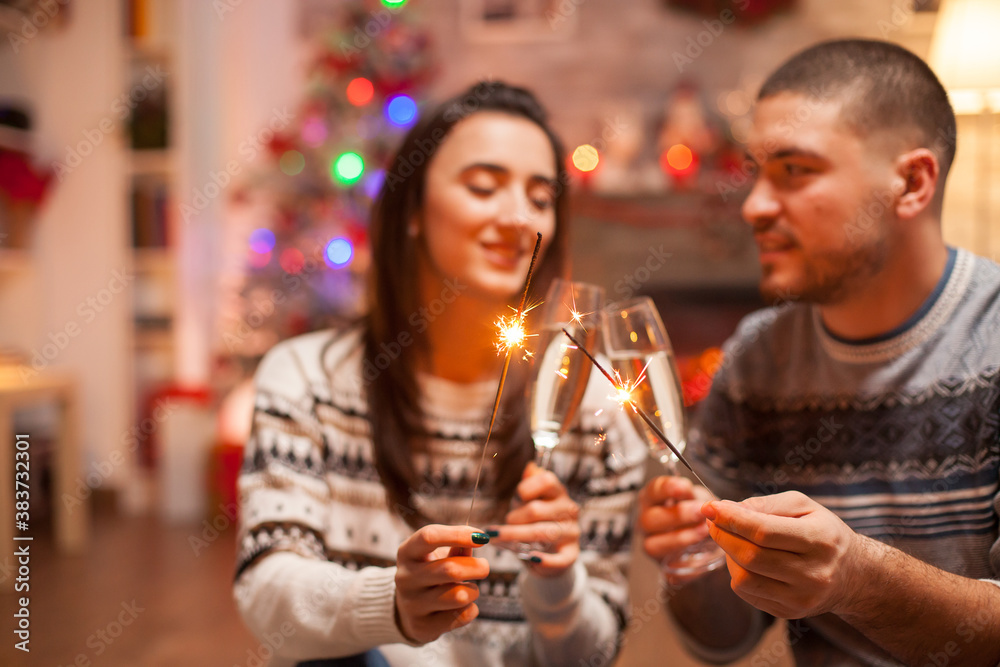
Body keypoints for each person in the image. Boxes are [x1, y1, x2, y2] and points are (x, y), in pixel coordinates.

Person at [233, 81, 645, 667]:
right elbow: (268, 595)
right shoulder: (306, 379)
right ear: (412, 212)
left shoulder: (593, 404)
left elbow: (592, 653)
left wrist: (558, 583)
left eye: (541, 197)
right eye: (483, 186)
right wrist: (393, 605)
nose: (519, 218)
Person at [638, 39, 1000, 665]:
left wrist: (859, 578)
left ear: (911, 182)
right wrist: (689, 561)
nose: (753, 207)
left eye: (795, 171)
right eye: (756, 173)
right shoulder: (757, 358)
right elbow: (726, 640)